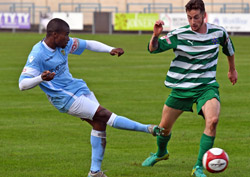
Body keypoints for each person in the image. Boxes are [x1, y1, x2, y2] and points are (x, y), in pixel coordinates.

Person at [19, 18, 163, 177]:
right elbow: (22, 85)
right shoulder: (38, 54)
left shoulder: (64, 44)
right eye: (66, 35)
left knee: (99, 124)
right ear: (54, 35)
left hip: (77, 87)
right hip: (63, 97)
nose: (68, 39)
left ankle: (95, 172)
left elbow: (88, 44)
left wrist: (110, 49)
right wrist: (40, 78)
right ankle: (148, 128)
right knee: (104, 115)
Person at [141, 0, 237, 177]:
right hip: (181, 88)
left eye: (196, 17)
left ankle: (199, 166)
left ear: (204, 15)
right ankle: (161, 153)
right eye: (189, 17)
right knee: (163, 129)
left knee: (213, 120)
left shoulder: (218, 33)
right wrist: (155, 36)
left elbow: (228, 48)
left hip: (206, 87)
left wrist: (232, 69)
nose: (193, 21)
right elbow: (153, 49)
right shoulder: (180, 34)